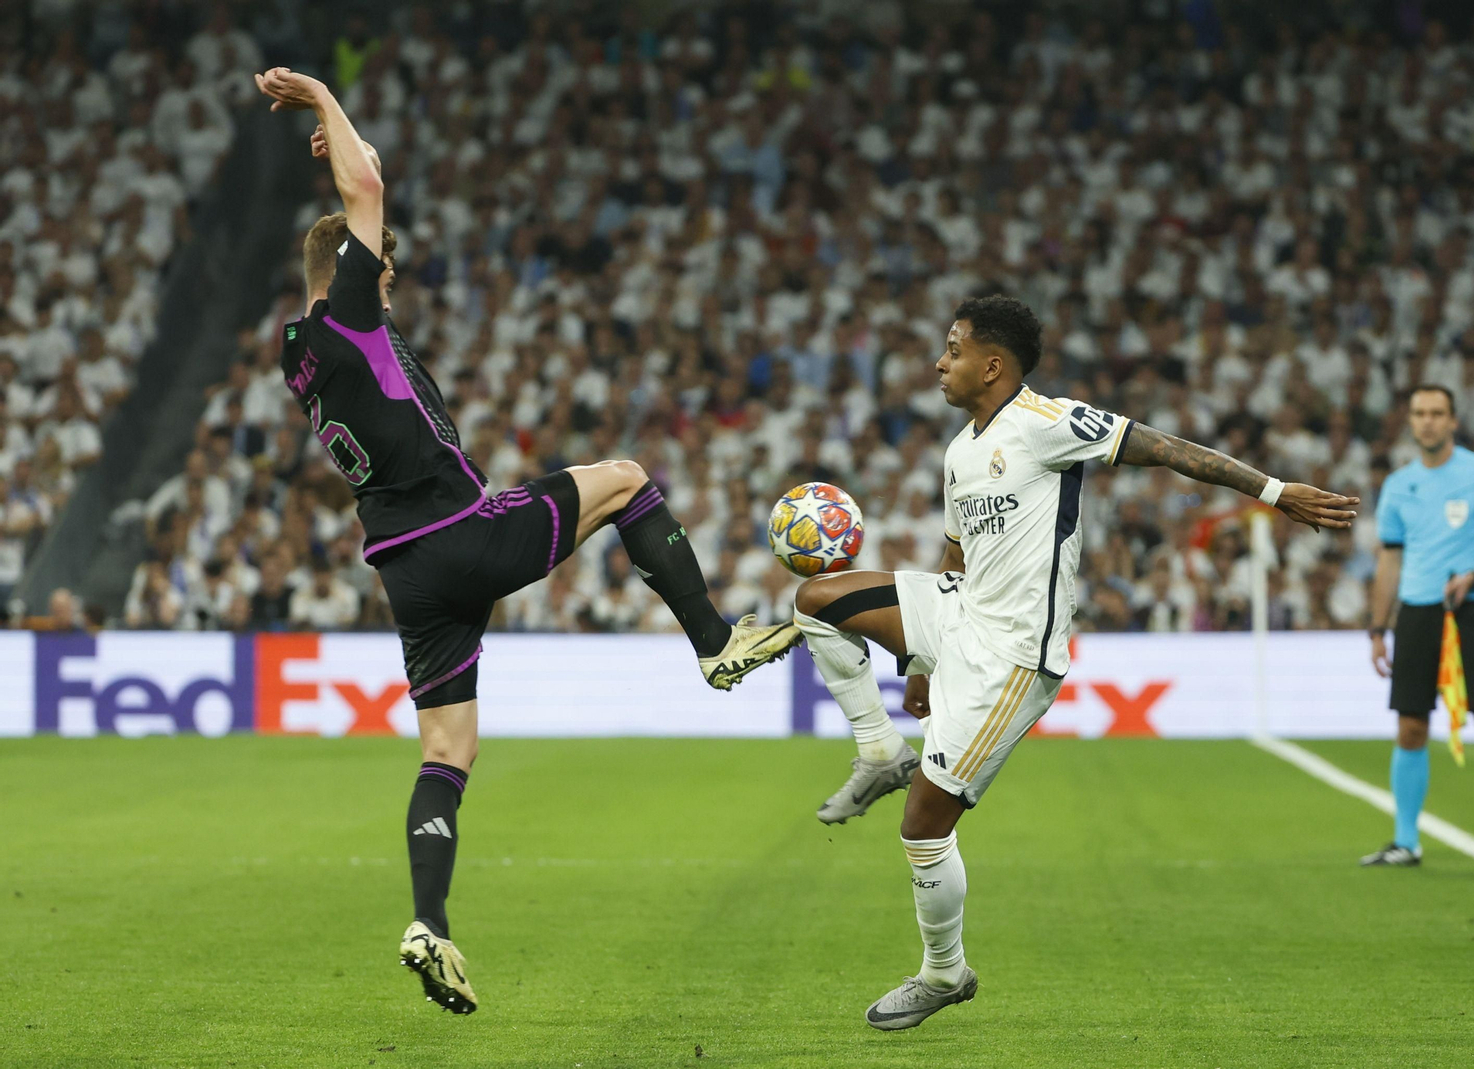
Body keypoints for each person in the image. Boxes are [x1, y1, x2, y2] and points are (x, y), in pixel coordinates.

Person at [255, 67, 800, 1016]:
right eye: (382, 267)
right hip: (462, 530)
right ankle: (716, 643)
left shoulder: (302, 346)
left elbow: (357, 193)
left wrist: (350, 156)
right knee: (627, 476)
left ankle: (430, 922)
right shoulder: (352, 315)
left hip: (407, 572)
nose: (391, 277)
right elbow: (365, 197)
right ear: (351, 269)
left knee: (448, 751)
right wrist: (326, 103)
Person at [791, 295, 1357, 1030]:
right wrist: (923, 659)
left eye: (953, 349)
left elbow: (1159, 445)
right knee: (815, 597)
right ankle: (877, 747)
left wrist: (1275, 492)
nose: (940, 361)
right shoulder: (961, 448)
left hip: (1013, 654)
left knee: (923, 824)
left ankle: (943, 972)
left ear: (992, 363)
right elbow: (956, 552)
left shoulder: (1047, 424)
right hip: (957, 615)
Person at [1363, 385, 1474, 868]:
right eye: (1419, 413)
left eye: (1437, 413)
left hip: (1466, 609)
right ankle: (1406, 841)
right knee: (1411, 725)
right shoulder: (1399, 485)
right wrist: (1378, 629)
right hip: (1417, 615)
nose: (1427, 422)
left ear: (1453, 421)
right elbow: (1389, 563)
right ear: (1411, 421)